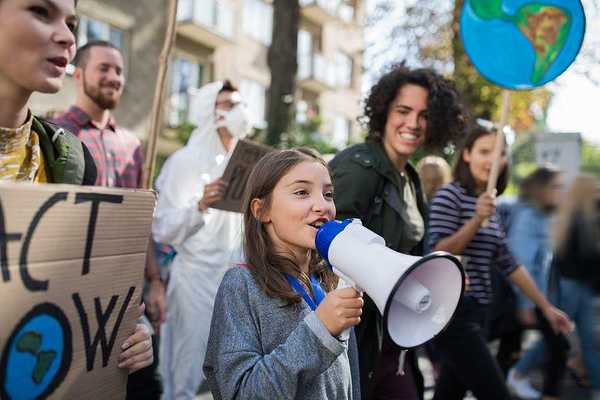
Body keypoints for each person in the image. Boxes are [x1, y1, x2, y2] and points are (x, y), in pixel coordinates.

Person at [0, 0, 152, 374]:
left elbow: (76, 286)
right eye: (40, 11)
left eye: (71, 22)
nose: (67, 36)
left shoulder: (70, 160)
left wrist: (123, 329)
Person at [330, 64, 466, 400]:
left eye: (424, 115)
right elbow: (322, 247)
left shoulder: (411, 178)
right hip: (355, 340)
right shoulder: (356, 167)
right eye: (403, 111)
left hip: (392, 341)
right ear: (383, 112)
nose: (413, 123)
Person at [52, 40, 164, 399]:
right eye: (104, 68)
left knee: (140, 384)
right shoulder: (53, 134)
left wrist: (155, 281)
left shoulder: (132, 144)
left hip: (126, 297)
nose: (114, 77)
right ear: (79, 73)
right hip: (69, 293)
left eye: (119, 70)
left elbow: (140, 224)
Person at [427, 124, 573, 400]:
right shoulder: (451, 195)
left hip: (481, 312)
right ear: (467, 154)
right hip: (453, 313)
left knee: (449, 392)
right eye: (485, 151)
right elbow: (440, 251)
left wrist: (546, 307)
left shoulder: (490, 204)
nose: (493, 159)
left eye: (501, 153)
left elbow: (509, 263)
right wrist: (476, 220)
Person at [203, 148, 362, 399]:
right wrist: (320, 330)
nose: (322, 205)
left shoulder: (330, 283)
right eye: (301, 192)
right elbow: (240, 393)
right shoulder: (241, 285)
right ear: (261, 210)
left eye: (328, 194)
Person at [152, 80, 249, 400]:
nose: (237, 111)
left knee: (232, 368)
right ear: (210, 110)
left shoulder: (246, 163)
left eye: (238, 103)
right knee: (187, 368)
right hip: (194, 281)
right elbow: (161, 228)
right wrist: (200, 205)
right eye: (227, 104)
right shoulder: (185, 162)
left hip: (234, 280)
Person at [505, 166, 562, 399]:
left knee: (509, 352)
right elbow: (522, 262)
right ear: (542, 189)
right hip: (526, 297)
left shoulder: (542, 216)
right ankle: (517, 377)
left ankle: (513, 378)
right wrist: (526, 305)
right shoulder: (528, 217)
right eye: (556, 187)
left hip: (537, 297)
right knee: (559, 350)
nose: (561, 191)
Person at [545, 174, 600, 400]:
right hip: (577, 286)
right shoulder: (582, 218)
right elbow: (585, 257)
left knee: (580, 340)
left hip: (578, 285)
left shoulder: (576, 215)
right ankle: (519, 373)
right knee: (562, 336)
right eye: (595, 187)